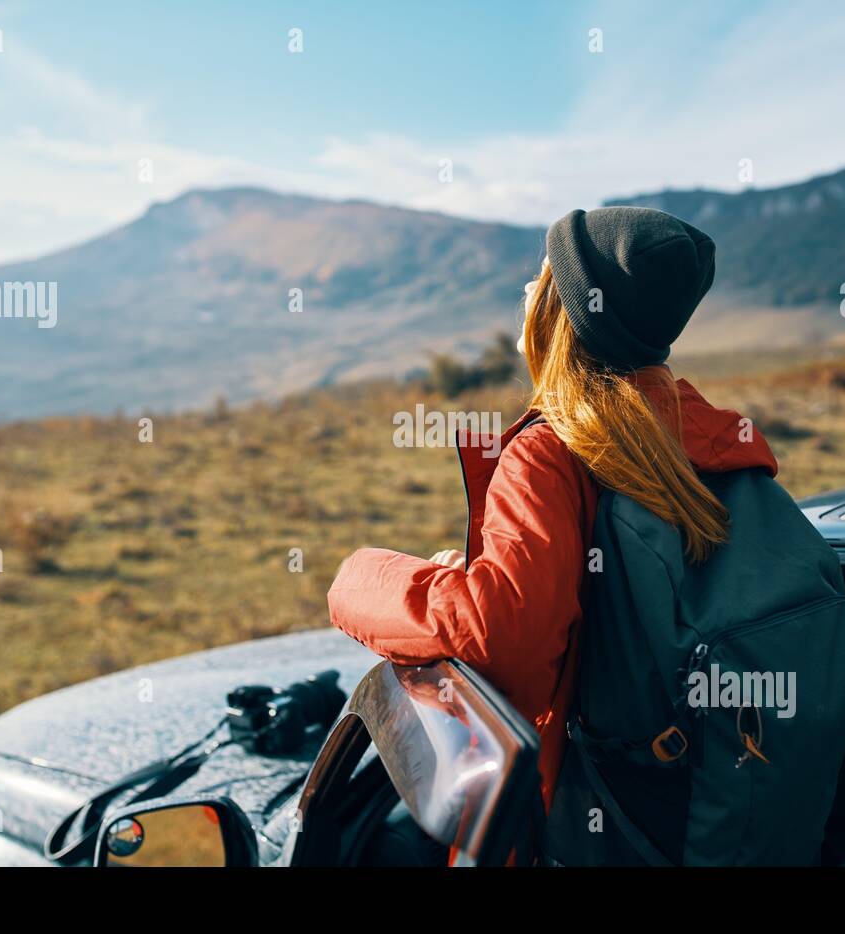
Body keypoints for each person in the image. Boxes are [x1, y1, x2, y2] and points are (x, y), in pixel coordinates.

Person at [328, 206, 786, 859]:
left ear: (566, 309)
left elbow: (501, 631)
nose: (524, 291)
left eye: (540, 276)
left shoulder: (555, 451)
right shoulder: (722, 449)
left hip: (583, 823)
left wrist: (357, 578)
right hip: (693, 810)